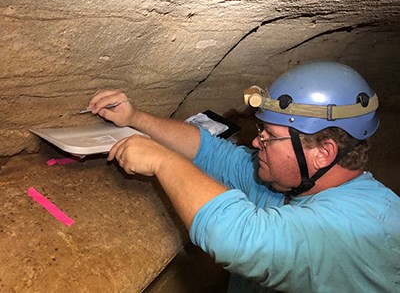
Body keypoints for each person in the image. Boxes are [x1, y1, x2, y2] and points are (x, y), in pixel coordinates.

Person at [87, 61, 400, 292]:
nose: (256, 141)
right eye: (261, 130)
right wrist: (136, 117)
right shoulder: (291, 181)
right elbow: (213, 152)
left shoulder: (363, 226)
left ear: (323, 152)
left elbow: (239, 238)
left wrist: (162, 161)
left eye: (270, 136)